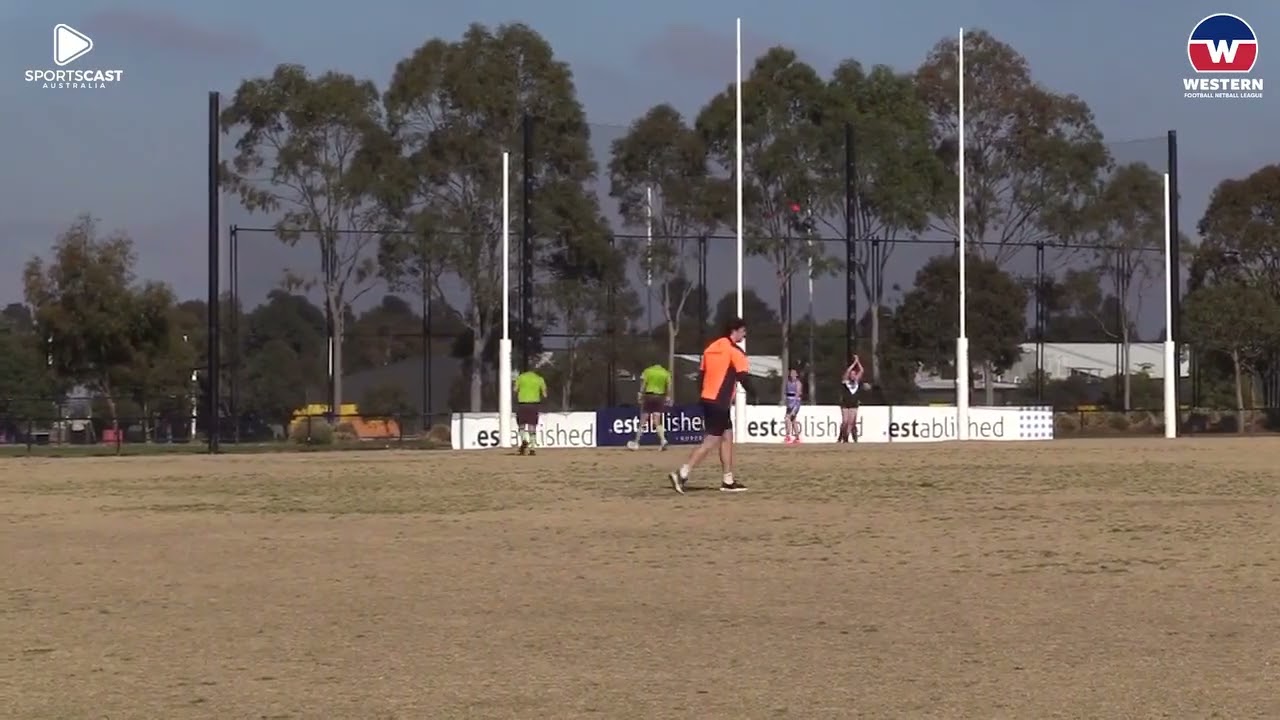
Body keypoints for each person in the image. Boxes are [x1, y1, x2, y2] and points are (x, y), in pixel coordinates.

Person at [669, 318, 754, 494]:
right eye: (743, 331)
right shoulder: (734, 351)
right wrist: (755, 395)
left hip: (707, 398)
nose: (745, 335)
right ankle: (682, 473)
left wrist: (704, 394)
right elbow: (743, 377)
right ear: (735, 331)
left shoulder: (710, 348)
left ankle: (728, 480)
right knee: (711, 440)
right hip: (720, 402)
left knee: (727, 435)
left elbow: (701, 376)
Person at [630, 362, 673, 450]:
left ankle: (636, 442)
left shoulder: (648, 371)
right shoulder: (666, 373)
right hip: (660, 397)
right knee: (657, 420)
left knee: (643, 420)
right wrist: (668, 397)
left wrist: (640, 395)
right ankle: (663, 440)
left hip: (649, 396)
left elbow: (643, 384)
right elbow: (668, 387)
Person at [513, 365, 548, 455]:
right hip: (534, 404)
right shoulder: (539, 379)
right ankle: (532, 448)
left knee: (521, 425)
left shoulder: (520, 378)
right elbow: (545, 394)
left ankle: (524, 440)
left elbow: (515, 389)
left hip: (523, 404)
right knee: (532, 426)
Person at [838, 354, 863, 443]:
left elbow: (862, 370)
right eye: (851, 374)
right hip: (845, 403)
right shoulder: (845, 381)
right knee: (845, 421)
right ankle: (841, 435)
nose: (853, 376)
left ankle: (846, 438)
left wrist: (858, 362)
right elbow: (847, 371)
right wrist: (854, 363)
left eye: (854, 374)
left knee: (850, 422)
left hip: (854, 404)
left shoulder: (856, 382)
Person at [784, 367, 803, 444]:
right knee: (793, 420)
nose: (792, 375)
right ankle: (797, 438)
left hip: (795, 404)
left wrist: (794, 404)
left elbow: (798, 393)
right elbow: (786, 393)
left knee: (787, 418)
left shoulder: (798, 383)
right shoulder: (788, 382)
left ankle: (788, 436)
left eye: (793, 373)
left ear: (796, 374)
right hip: (789, 403)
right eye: (791, 373)